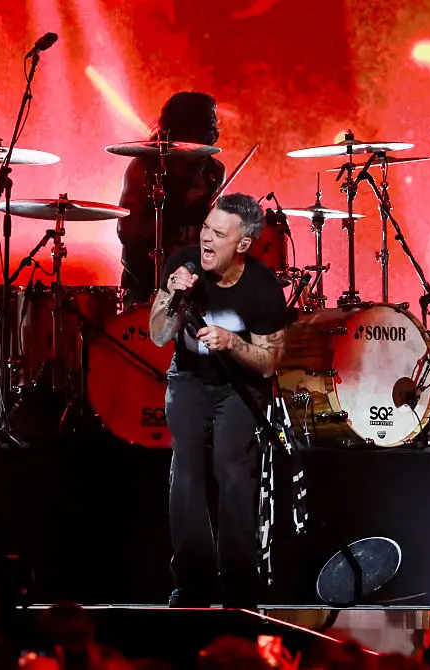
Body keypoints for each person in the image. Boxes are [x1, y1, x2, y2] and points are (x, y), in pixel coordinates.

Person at [148, 193, 286, 608]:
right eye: (206, 228)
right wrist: (173, 295)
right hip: (190, 377)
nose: (206, 239)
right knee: (186, 468)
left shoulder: (262, 288)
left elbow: (269, 364)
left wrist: (231, 344)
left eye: (218, 234)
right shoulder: (184, 264)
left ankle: (241, 583)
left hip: (239, 386)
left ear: (242, 244)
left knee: (232, 468)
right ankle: (192, 581)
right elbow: (157, 335)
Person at [118, 92, 226, 307]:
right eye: (206, 123)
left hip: (194, 281)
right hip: (146, 278)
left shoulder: (213, 171)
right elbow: (128, 231)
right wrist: (174, 215)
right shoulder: (144, 167)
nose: (211, 130)